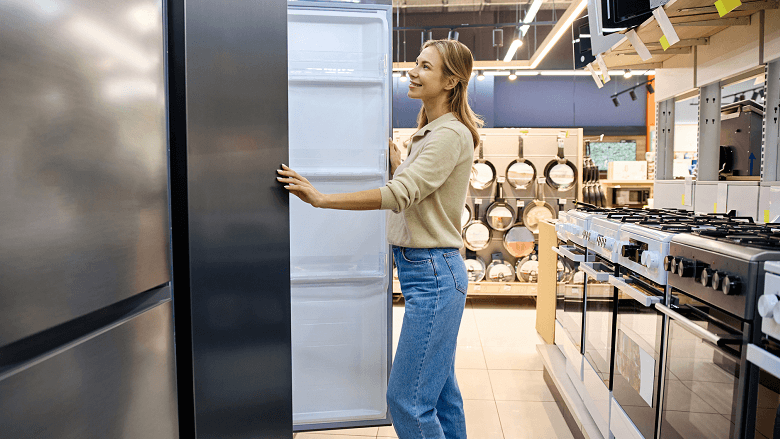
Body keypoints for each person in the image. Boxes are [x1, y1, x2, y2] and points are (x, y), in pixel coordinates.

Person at [277, 39, 483, 439]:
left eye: (425, 67)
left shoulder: (449, 135)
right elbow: (418, 189)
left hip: (434, 276)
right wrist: (402, 164)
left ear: (450, 81)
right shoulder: (430, 133)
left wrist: (321, 199)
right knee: (441, 395)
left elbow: (399, 194)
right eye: (416, 63)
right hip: (429, 273)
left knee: (407, 400)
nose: (413, 71)